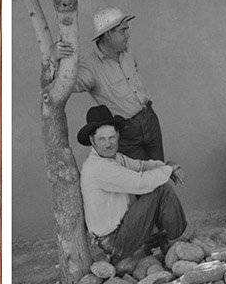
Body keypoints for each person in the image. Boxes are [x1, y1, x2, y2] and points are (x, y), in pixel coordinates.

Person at [77, 104, 187, 267]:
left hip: (123, 228)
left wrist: (167, 166)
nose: (108, 144)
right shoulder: (98, 168)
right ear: (92, 141)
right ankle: (178, 244)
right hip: (114, 241)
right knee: (160, 189)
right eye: (102, 139)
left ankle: (162, 241)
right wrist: (168, 170)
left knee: (155, 184)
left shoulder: (115, 158)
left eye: (112, 137)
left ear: (118, 135)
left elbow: (141, 166)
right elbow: (140, 183)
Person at [55, 6, 164, 161]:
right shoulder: (90, 67)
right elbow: (64, 85)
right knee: (141, 180)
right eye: (123, 31)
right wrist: (54, 58)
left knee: (159, 170)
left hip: (150, 119)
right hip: (127, 132)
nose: (128, 35)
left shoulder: (127, 53)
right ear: (107, 35)